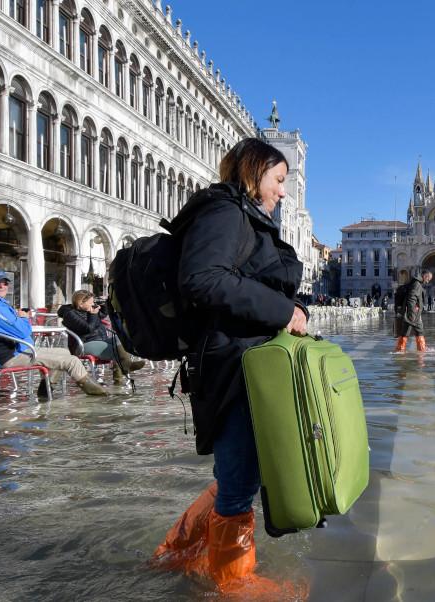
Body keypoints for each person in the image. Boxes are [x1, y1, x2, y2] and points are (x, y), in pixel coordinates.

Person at [152, 138, 307, 597]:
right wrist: (282, 312)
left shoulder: (242, 215)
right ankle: (234, 584)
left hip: (246, 364)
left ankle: (174, 552)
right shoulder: (225, 212)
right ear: (255, 172)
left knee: (236, 477)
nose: (282, 191)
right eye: (278, 180)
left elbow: (242, 283)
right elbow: (203, 278)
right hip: (232, 368)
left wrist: (290, 309)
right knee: (240, 483)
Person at [0, 268, 107, 397]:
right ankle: (100, 398)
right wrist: (22, 318)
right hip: (9, 357)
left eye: (4, 283)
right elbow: (22, 331)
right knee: (72, 361)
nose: (2, 286)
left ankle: (45, 393)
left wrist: (17, 318)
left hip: (17, 350)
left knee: (65, 352)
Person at [57, 290, 146, 379]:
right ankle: (124, 369)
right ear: (80, 303)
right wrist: (93, 314)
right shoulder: (70, 314)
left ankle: (122, 372)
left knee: (122, 339)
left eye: (93, 302)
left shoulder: (89, 309)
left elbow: (104, 313)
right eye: (90, 302)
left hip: (100, 340)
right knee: (119, 351)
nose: (93, 304)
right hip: (83, 345)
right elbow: (88, 328)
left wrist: (105, 303)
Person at [394, 270, 434, 352]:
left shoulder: (415, 283)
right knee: (418, 331)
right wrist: (411, 314)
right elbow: (411, 299)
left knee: (406, 331)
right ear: (425, 276)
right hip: (413, 313)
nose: (428, 281)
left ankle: (400, 349)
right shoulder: (417, 284)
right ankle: (421, 349)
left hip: (411, 312)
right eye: (428, 279)